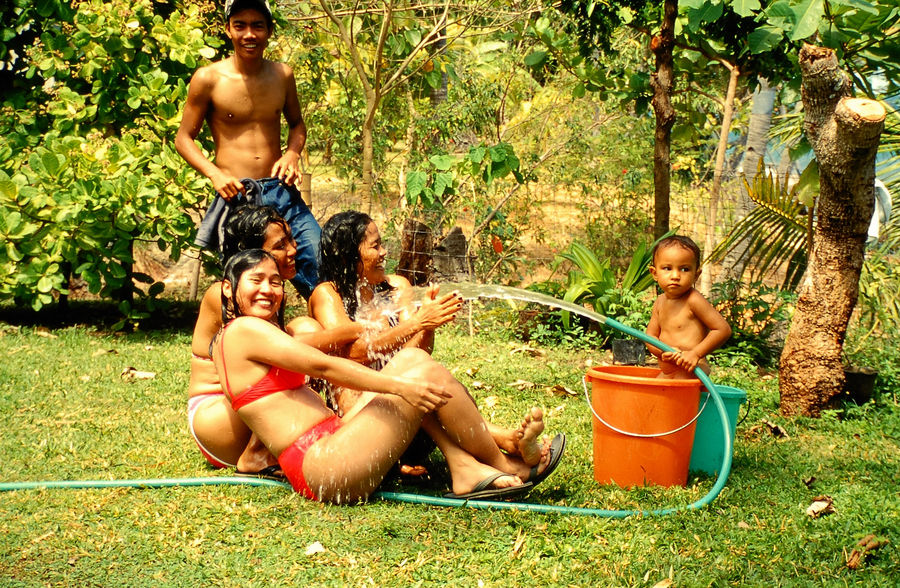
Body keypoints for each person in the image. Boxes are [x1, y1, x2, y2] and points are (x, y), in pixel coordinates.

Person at [214, 249, 562, 502]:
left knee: (412, 360)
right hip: (324, 469)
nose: (268, 290)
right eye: (256, 280)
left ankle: (466, 466)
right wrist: (398, 386)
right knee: (412, 377)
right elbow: (324, 366)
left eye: (275, 281)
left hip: (336, 442)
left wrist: (403, 380)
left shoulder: (259, 332)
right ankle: (505, 462)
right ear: (228, 289)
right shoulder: (243, 330)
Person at [308, 210, 562, 470]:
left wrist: (427, 327)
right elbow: (354, 353)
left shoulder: (397, 287)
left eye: (383, 243)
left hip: (412, 414)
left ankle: (503, 445)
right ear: (348, 255)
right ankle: (503, 445)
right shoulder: (328, 295)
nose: (384, 252)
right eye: (375, 246)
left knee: (434, 382)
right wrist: (417, 322)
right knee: (428, 388)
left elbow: (417, 354)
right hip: (363, 427)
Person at [188, 205, 360, 477]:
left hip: (249, 414)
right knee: (303, 344)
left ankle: (347, 430)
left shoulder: (269, 289)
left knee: (305, 327)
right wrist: (358, 330)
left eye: (291, 239)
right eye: (281, 245)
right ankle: (259, 453)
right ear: (254, 252)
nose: (293, 249)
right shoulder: (224, 293)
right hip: (218, 421)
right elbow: (281, 355)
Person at [175, 0, 320, 299]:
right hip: (238, 194)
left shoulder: (282, 75)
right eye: (240, 25)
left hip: (281, 190)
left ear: (269, 31)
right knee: (250, 285)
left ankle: (336, 336)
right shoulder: (209, 79)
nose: (249, 34)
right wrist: (215, 174)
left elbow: (297, 125)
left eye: (257, 25)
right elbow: (183, 138)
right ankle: (246, 342)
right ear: (228, 29)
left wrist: (291, 154)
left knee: (317, 260)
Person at [645, 235, 732, 379]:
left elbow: (722, 329)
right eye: (667, 268)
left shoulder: (693, 300)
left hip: (691, 370)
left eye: (684, 269)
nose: (675, 276)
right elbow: (650, 337)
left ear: (696, 275)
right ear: (654, 273)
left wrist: (695, 354)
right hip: (668, 372)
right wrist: (662, 351)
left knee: (675, 396)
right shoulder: (660, 302)